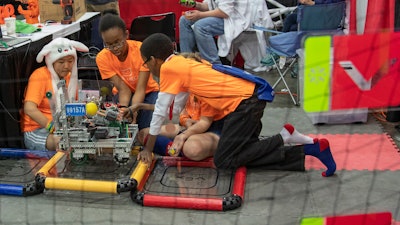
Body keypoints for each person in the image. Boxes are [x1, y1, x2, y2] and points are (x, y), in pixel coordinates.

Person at [138, 33, 337, 177]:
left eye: (145, 63)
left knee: (224, 161)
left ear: (153, 60)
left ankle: (283, 138)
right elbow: (177, 102)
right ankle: (310, 150)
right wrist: (146, 109)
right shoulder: (182, 62)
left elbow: (162, 110)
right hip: (246, 100)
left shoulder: (170, 69)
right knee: (245, 152)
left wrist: (149, 148)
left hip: (244, 104)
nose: (147, 67)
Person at [21, 37, 89, 151]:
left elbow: (76, 104)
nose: (66, 66)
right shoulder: (39, 76)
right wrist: (51, 126)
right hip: (37, 129)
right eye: (61, 62)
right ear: (51, 61)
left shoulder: (70, 78)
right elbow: (29, 108)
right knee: (63, 143)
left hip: (64, 127)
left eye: (70, 61)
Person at [96, 13, 159, 131]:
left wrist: (133, 110)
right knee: (120, 123)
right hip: (123, 94)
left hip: (148, 92)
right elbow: (123, 89)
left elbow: (141, 89)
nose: (115, 48)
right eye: (109, 45)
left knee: (144, 127)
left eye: (118, 42)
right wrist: (124, 109)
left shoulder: (141, 50)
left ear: (126, 35)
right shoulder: (102, 58)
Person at [178, 0, 273, 71]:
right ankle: (187, 62)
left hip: (239, 20)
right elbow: (210, 6)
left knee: (201, 26)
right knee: (184, 20)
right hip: (226, 17)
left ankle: (214, 67)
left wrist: (200, 15)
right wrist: (195, 5)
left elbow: (224, 12)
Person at [138, 93, 225, 161]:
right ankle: (176, 148)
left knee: (192, 148)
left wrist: (183, 135)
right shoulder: (190, 86)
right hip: (189, 128)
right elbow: (183, 111)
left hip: (213, 129)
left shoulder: (208, 87)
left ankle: (179, 148)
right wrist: (186, 121)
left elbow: (205, 122)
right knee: (143, 134)